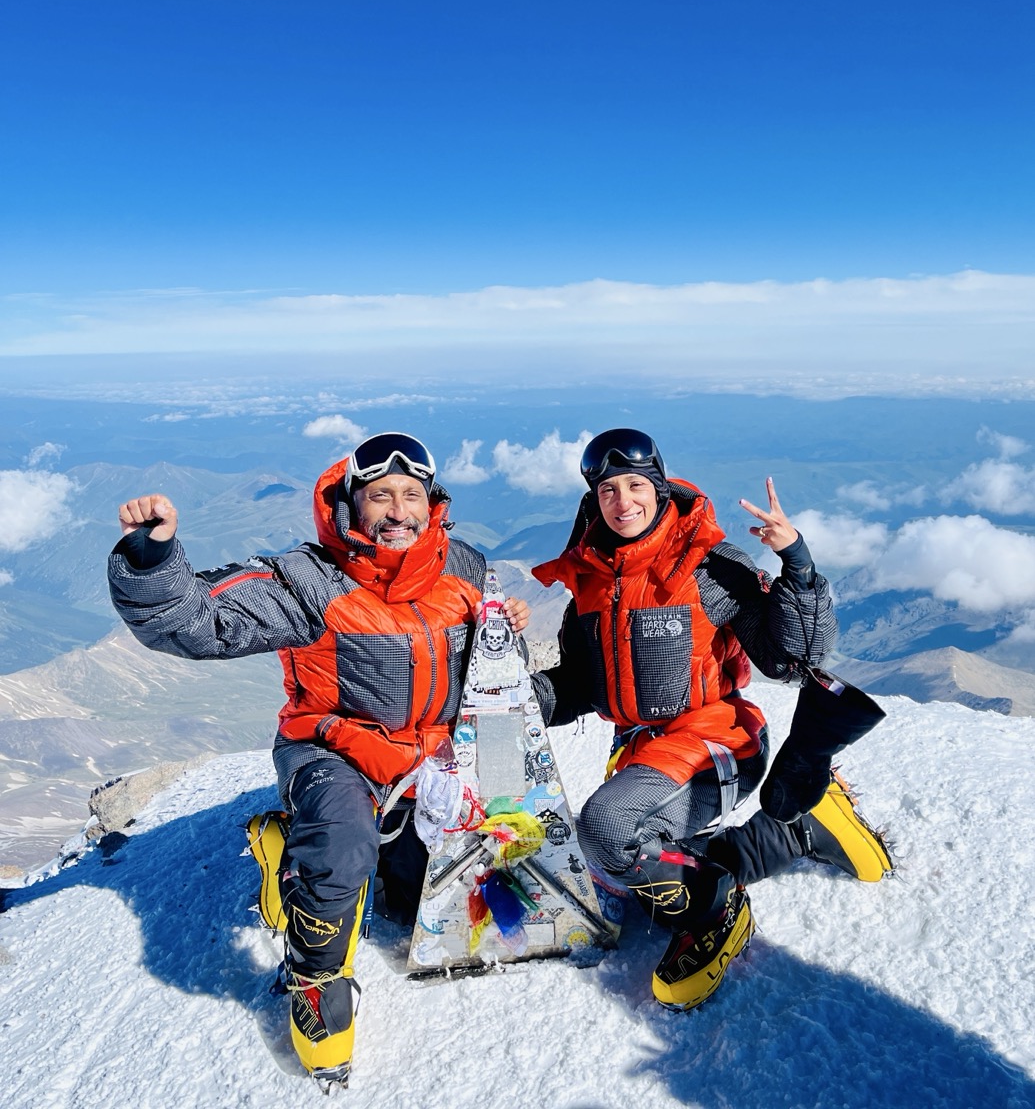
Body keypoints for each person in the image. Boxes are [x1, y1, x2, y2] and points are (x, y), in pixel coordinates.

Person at [107, 432, 530, 1087]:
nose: (397, 509)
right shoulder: (306, 581)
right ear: (349, 505)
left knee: (427, 897)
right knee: (341, 847)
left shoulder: (466, 571)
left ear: (432, 504)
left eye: (411, 494)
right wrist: (149, 557)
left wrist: (507, 634)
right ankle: (313, 977)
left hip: (427, 765)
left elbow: (489, 673)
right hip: (332, 750)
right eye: (379, 495)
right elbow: (195, 621)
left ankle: (296, 855)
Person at [531, 428, 890, 1011]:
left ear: (659, 484)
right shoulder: (593, 581)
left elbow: (793, 658)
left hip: (718, 739)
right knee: (627, 866)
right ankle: (802, 828)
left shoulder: (705, 564)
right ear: (593, 498)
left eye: (636, 485)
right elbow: (578, 684)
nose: (623, 502)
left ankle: (715, 909)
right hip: (644, 750)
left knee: (607, 828)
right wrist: (504, 699)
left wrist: (795, 561)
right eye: (608, 490)